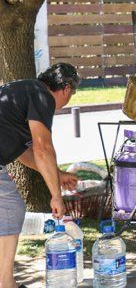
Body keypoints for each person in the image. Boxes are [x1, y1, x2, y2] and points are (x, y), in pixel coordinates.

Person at [1, 63, 80, 288]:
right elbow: (42, 148)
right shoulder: (41, 96)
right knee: (11, 208)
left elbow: (23, 153)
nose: (70, 98)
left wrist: (58, 174)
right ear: (66, 88)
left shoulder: (25, 91)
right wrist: (56, 196)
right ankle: (5, 283)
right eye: (72, 93)